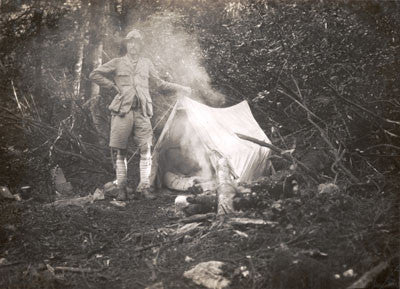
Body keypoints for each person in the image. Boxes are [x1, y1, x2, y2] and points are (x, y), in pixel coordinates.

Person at [89, 29, 191, 201]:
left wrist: (180, 88)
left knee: (146, 148)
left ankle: (144, 187)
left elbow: (160, 84)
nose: (133, 45)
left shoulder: (146, 63)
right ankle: (121, 189)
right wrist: (112, 86)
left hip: (142, 111)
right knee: (120, 150)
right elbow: (94, 74)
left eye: (136, 42)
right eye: (130, 42)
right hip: (122, 111)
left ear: (140, 45)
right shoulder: (117, 62)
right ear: (127, 44)